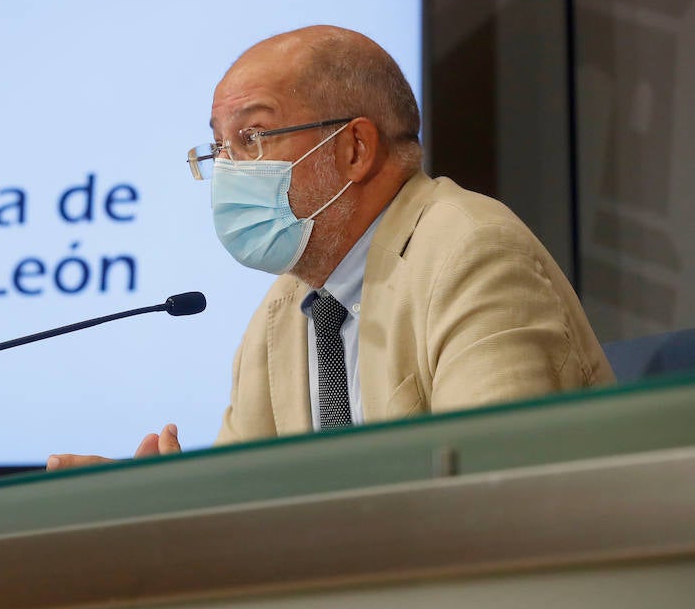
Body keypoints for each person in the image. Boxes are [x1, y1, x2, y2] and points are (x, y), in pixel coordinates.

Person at [47, 25, 614, 470]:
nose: (225, 168)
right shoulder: (282, 314)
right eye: (217, 147)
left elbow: (493, 489)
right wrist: (165, 515)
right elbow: (244, 514)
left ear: (355, 149)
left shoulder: (471, 254)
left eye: (251, 137)